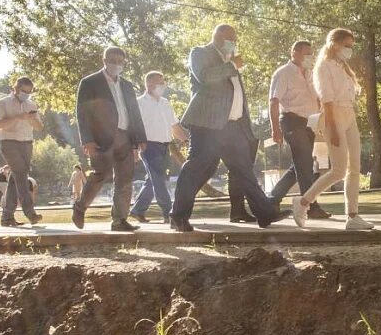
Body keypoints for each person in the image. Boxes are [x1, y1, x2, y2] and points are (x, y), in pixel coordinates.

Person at [169, 24, 287, 232]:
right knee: (197, 168)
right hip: (207, 124)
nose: (234, 42)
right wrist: (231, 65)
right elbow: (204, 77)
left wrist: (245, 123)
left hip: (233, 126)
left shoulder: (230, 60)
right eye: (231, 38)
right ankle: (178, 216)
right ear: (218, 35)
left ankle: (265, 213)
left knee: (244, 169)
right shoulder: (200, 53)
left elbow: (236, 94)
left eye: (235, 39)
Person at [292, 29, 373, 230]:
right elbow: (326, 99)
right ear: (334, 43)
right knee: (338, 170)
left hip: (349, 114)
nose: (350, 50)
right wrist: (333, 129)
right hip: (333, 115)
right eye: (347, 45)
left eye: (351, 46)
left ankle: (352, 216)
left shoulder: (343, 66)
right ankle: (303, 202)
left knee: (354, 167)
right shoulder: (323, 66)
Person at [73, 46, 147, 232]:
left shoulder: (127, 85)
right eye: (111, 60)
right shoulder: (90, 82)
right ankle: (80, 206)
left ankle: (119, 220)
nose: (115, 64)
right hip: (101, 138)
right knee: (101, 174)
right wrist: (87, 140)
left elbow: (134, 113)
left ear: (124, 63)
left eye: (119, 61)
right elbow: (82, 113)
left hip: (125, 137)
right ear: (104, 60)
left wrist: (140, 138)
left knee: (125, 178)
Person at [266, 40, 330, 220]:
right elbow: (273, 101)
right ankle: (311, 206)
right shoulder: (283, 73)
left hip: (311, 122)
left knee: (300, 166)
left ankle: (272, 199)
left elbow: (317, 99)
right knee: (305, 165)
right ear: (294, 53)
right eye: (306, 53)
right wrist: (275, 129)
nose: (310, 57)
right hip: (292, 121)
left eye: (311, 54)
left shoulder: (311, 74)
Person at [130, 71, 188, 223]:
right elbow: (133, 128)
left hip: (164, 147)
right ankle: (169, 212)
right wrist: (134, 148)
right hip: (148, 146)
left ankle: (137, 210)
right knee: (159, 179)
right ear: (149, 84)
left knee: (153, 180)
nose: (163, 85)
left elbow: (174, 126)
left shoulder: (165, 103)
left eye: (164, 82)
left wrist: (187, 141)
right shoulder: (139, 103)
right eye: (160, 83)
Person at [0, 77, 44, 227]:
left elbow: (39, 126)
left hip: (27, 143)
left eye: (29, 92)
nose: (26, 94)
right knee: (21, 174)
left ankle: (7, 217)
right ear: (15, 89)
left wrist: (31, 119)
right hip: (9, 142)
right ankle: (30, 213)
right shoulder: (2, 103)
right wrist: (18, 117)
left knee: (15, 178)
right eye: (24, 91)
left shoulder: (31, 104)